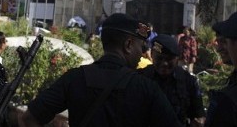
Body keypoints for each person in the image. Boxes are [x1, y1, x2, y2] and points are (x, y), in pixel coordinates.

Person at [19, 13, 182, 127]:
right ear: (128, 45)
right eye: (141, 46)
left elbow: (28, 119)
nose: (142, 53)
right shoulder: (146, 88)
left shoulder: (74, 79)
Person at [138, 34, 205, 126]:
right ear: (152, 56)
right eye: (160, 58)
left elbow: (198, 117)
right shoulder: (140, 78)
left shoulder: (188, 82)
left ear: (177, 59)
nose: (164, 63)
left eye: (169, 59)